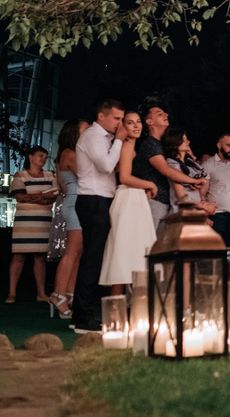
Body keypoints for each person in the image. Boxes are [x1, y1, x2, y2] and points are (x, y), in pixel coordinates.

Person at [72, 99, 127, 333]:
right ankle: (83, 318)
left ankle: (81, 315)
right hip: (92, 200)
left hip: (100, 200)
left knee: (94, 259)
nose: (120, 124)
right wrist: (121, 141)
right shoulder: (93, 136)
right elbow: (105, 166)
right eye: (116, 118)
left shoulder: (104, 138)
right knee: (91, 260)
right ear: (101, 117)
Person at [99, 112, 158, 294]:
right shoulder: (125, 147)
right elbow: (124, 177)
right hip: (127, 200)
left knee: (135, 252)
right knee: (124, 251)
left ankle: (133, 309)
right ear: (123, 127)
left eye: (138, 122)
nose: (136, 126)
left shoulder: (133, 148)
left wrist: (144, 187)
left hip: (136, 199)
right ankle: (117, 312)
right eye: (130, 123)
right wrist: (149, 184)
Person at [133, 100, 205, 230]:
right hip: (155, 202)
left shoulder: (163, 145)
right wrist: (192, 180)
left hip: (166, 203)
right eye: (159, 114)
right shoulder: (150, 144)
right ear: (149, 122)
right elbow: (166, 170)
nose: (165, 114)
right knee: (151, 245)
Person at [47, 119, 89, 318]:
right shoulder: (70, 154)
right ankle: (57, 294)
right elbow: (87, 176)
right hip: (74, 205)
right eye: (85, 130)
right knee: (72, 252)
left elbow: (63, 186)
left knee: (77, 253)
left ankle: (68, 293)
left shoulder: (66, 155)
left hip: (74, 202)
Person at [6, 146, 58, 304]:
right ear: (31, 157)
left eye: (45, 156)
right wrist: (42, 196)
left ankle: (41, 293)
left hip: (43, 222)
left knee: (40, 257)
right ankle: (12, 292)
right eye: (40, 155)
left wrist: (33, 197)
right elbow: (20, 197)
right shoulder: (20, 175)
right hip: (24, 223)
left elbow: (53, 197)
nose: (43, 159)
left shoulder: (50, 175)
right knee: (19, 256)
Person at [163, 129, 217, 215]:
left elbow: (204, 180)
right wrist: (204, 207)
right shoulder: (172, 164)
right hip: (181, 213)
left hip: (194, 210)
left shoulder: (189, 162)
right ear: (175, 142)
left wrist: (204, 204)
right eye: (184, 140)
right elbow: (181, 196)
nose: (188, 141)